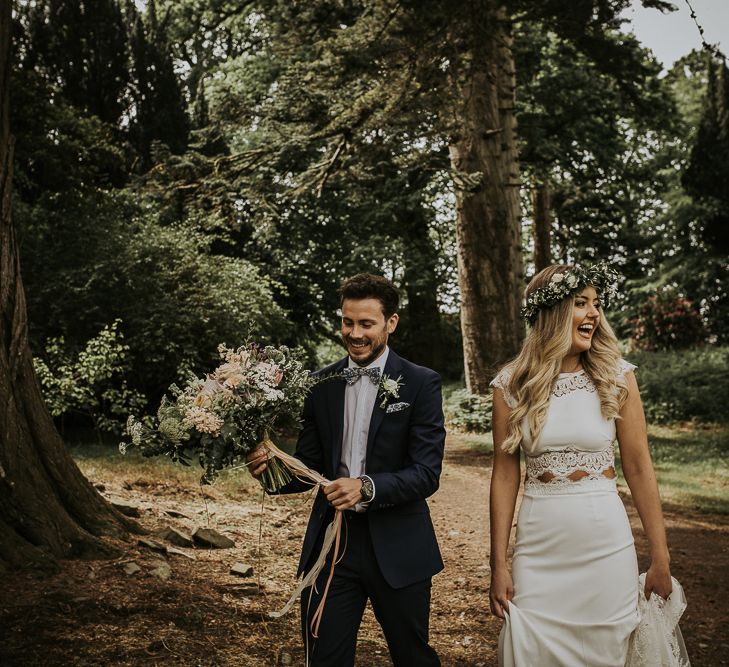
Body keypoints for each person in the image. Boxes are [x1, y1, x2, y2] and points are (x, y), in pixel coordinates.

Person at [247, 273, 445, 666]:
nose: (354, 333)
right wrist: (270, 469)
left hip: (400, 546)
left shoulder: (422, 383)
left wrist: (366, 487)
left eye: (366, 324)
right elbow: (309, 467)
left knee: (413, 658)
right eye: (347, 322)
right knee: (324, 659)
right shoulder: (319, 384)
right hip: (331, 548)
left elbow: (426, 473)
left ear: (391, 323)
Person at [488, 263, 674, 666]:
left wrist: (661, 556)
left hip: (605, 545)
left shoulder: (617, 377)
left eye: (596, 304)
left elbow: (639, 467)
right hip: (539, 548)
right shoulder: (511, 384)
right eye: (580, 303)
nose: (593, 313)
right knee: (531, 648)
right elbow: (504, 474)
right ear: (551, 313)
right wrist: (498, 563)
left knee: (607, 651)